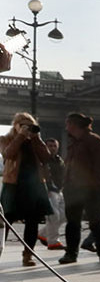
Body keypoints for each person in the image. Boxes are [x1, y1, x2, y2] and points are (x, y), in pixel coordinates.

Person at [59, 113, 100, 265]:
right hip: (72, 188)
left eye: (67, 124)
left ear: (74, 125)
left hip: (90, 188)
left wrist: (96, 185)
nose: (66, 127)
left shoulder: (94, 140)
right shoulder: (74, 142)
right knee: (72, 222)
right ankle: (71, 253)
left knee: (95, 222)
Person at [1, 113, 54, 267]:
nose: (27, 128)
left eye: (29, 124)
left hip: (34, 185)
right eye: (23, 124)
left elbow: (46, 157)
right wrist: (20, 136)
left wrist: (36, 138)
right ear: (15, 125)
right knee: (6, 220)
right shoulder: (6, 139)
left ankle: (28, 254)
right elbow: (7, 154)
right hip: (13, 184)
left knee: (33, 222)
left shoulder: (35, 141)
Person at [40, 137, 65, 251]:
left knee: (64, 215)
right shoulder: (42, 159)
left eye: (54, 146)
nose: (53, 148)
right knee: (53, 215)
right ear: (45, 147)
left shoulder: (59, 160)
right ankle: (53, 242)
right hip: (49, 190)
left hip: (59, 190)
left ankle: (43, 233)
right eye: (50, 146)